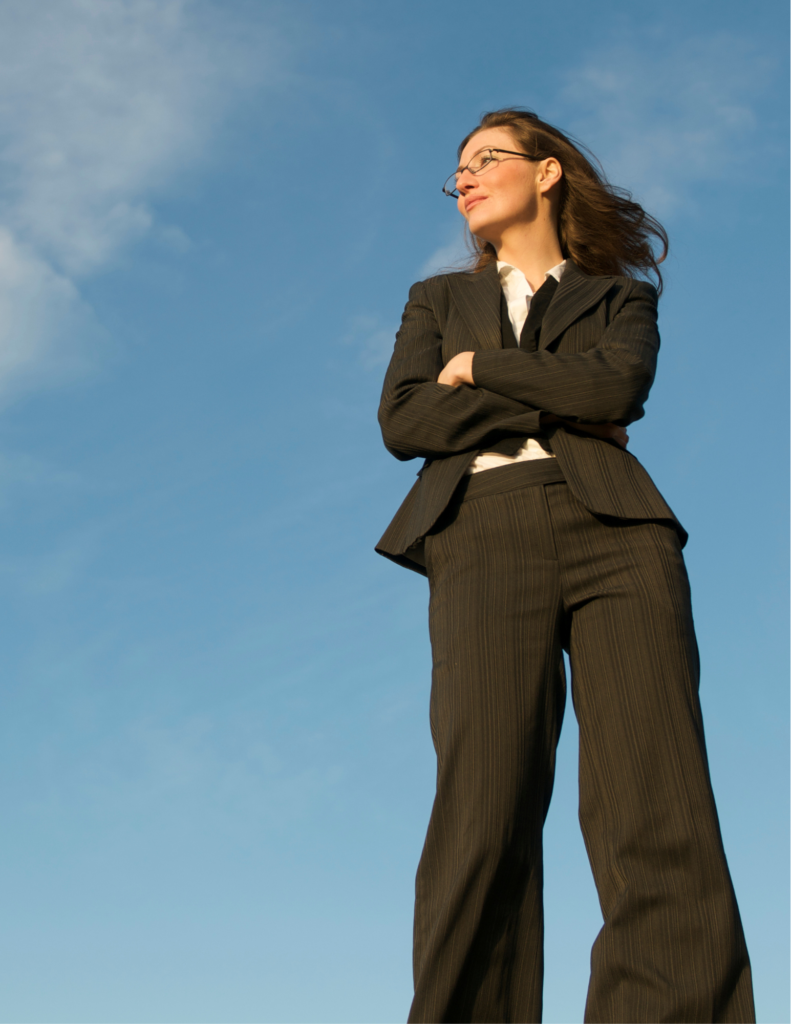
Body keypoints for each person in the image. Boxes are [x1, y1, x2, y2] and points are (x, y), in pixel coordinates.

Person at [375, 109, 755, 1024]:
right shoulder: (436, 302)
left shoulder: (619, 299)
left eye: (485, 160)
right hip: (482, 529)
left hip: (617, 530)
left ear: (546, 174)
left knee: (655, 802)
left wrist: (477, 373)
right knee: (483, 809)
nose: (463, 179)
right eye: (455, 170)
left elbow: (613, 388)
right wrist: (541, 391)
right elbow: (406, 425)